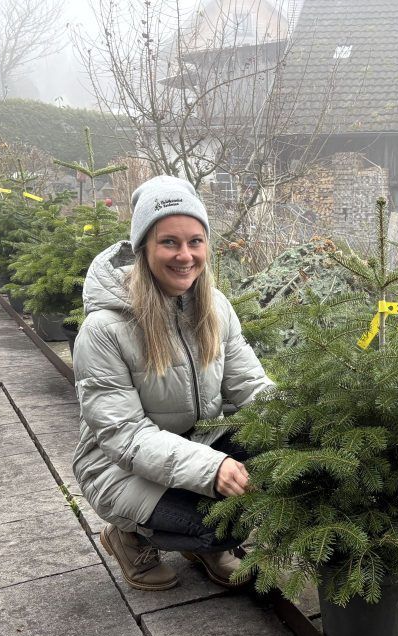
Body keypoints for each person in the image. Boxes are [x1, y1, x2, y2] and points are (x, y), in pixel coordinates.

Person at [72, 176, 273, 591]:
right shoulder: (104, 329)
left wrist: (306, 418)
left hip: (201, 443)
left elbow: (251, 386)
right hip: (118, 469)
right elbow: (124, 436)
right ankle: (127, 535)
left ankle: (203, 540)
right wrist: (211, 469)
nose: (185, 256)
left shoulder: (214, 306)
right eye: (169, 242)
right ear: (143, 247)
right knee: (226, 524)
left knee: (281, 468)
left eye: (195, 241)